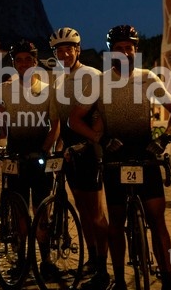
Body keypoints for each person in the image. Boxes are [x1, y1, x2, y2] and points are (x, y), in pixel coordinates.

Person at [69, 24, 171, 290]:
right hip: (115, 160)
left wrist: (164, 139)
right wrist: (100, 139)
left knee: (157, 220)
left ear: (135, 50)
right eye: (118, 48)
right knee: (116, 223)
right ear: (110, 51)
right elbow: (75, 120)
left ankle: (167, 282)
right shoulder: (99, 82)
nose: (124, 52)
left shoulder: (147, 78)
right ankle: (119, 280)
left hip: (146, 157)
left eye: (128, 47)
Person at [49, 27, 110, 289]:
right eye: (59, 51)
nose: (64, 55)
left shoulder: (92, 75)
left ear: (78, 50)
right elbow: (60, 123)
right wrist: (57, 147)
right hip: (70, 154)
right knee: (83, 210)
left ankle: (104, 270)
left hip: (90, 151)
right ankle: (93, 259)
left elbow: (103, 113)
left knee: (96, 212)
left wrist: (91, 140)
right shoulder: (58, 81)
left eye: (69, 49)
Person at [0, 39, 60, 275]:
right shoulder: (5, 89)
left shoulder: (47, 90)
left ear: (35, 62)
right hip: (16, 158)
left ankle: (46, 260)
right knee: (20, 213)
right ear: (14, 63)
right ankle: (23, 260)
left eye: (28, 60)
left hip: (39, 157)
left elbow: (55, 125)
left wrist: (45, 149)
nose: (23, 64)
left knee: (42, 212)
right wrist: (1, 143)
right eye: (19, 60)